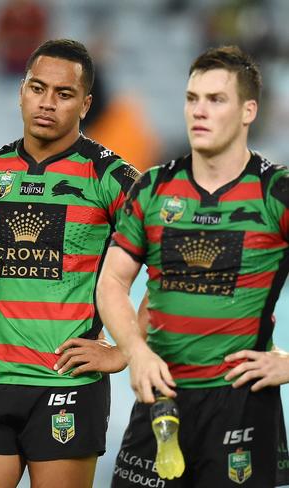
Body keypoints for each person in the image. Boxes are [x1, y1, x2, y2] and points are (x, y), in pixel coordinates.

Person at [0, 39, 139, 488]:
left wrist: (125, 350)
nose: (47, 103)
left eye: (63, 94)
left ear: (85, 104)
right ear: (21, 91)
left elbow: (173, 260)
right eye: (38, 88)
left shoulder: (110, 176)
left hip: (68, 389)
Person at [97, 45, 289, 487]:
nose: (198, 111)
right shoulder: (152, 188)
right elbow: (111, 282)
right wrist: (136, 351)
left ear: (248, 111)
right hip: (161, 400)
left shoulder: (274, 192)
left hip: (241, 404)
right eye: (191, 98)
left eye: (215, 100)